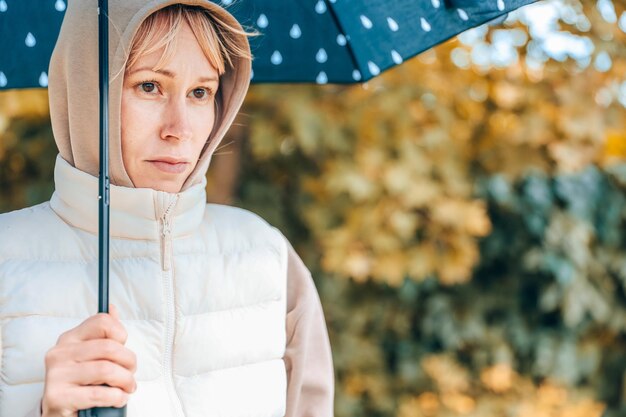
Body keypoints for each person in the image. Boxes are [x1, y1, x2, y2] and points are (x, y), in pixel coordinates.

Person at [0, 1, 334, 416]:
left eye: (200, 92)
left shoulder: (268, 256)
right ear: (87, 90)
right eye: (149, 86)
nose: (179, 129)